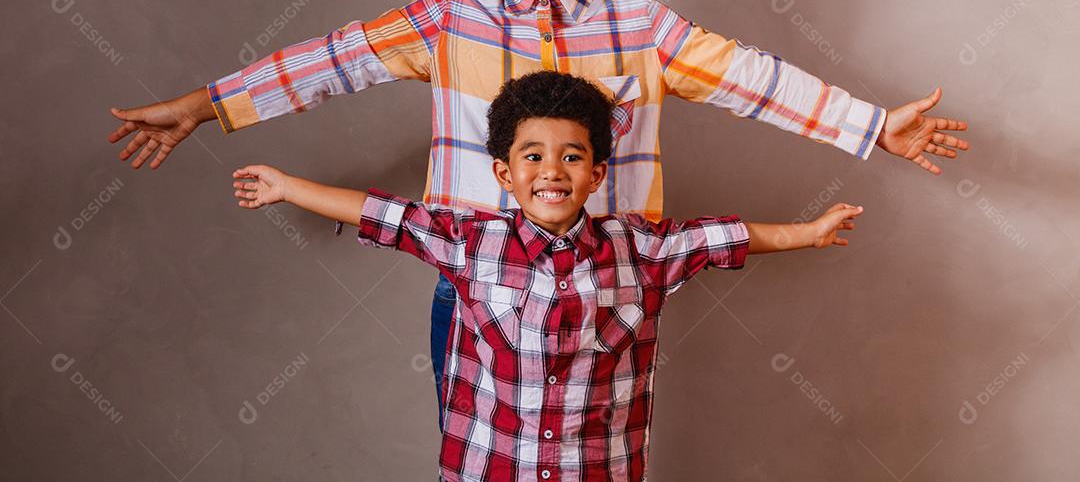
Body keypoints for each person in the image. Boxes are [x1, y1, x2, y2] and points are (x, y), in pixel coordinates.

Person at [107, 0, 969, 431]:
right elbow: (329, 63)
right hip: (476, 297)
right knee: (482, 457)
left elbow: (752, 78)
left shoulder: (642, 26)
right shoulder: (448, 17)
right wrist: (206, 106)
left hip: (612, 305)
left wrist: (870, 125)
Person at [230, 71, 867, 482]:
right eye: (532, 156)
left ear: (595, 173)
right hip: (489, 468)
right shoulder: (470, 241)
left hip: (598, 471)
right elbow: (382, 214)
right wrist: (287, 187)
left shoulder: (640, 249)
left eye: (571, 156)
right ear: (505, 174)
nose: (552, 170)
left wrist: (807, 233)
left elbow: (726, 238)